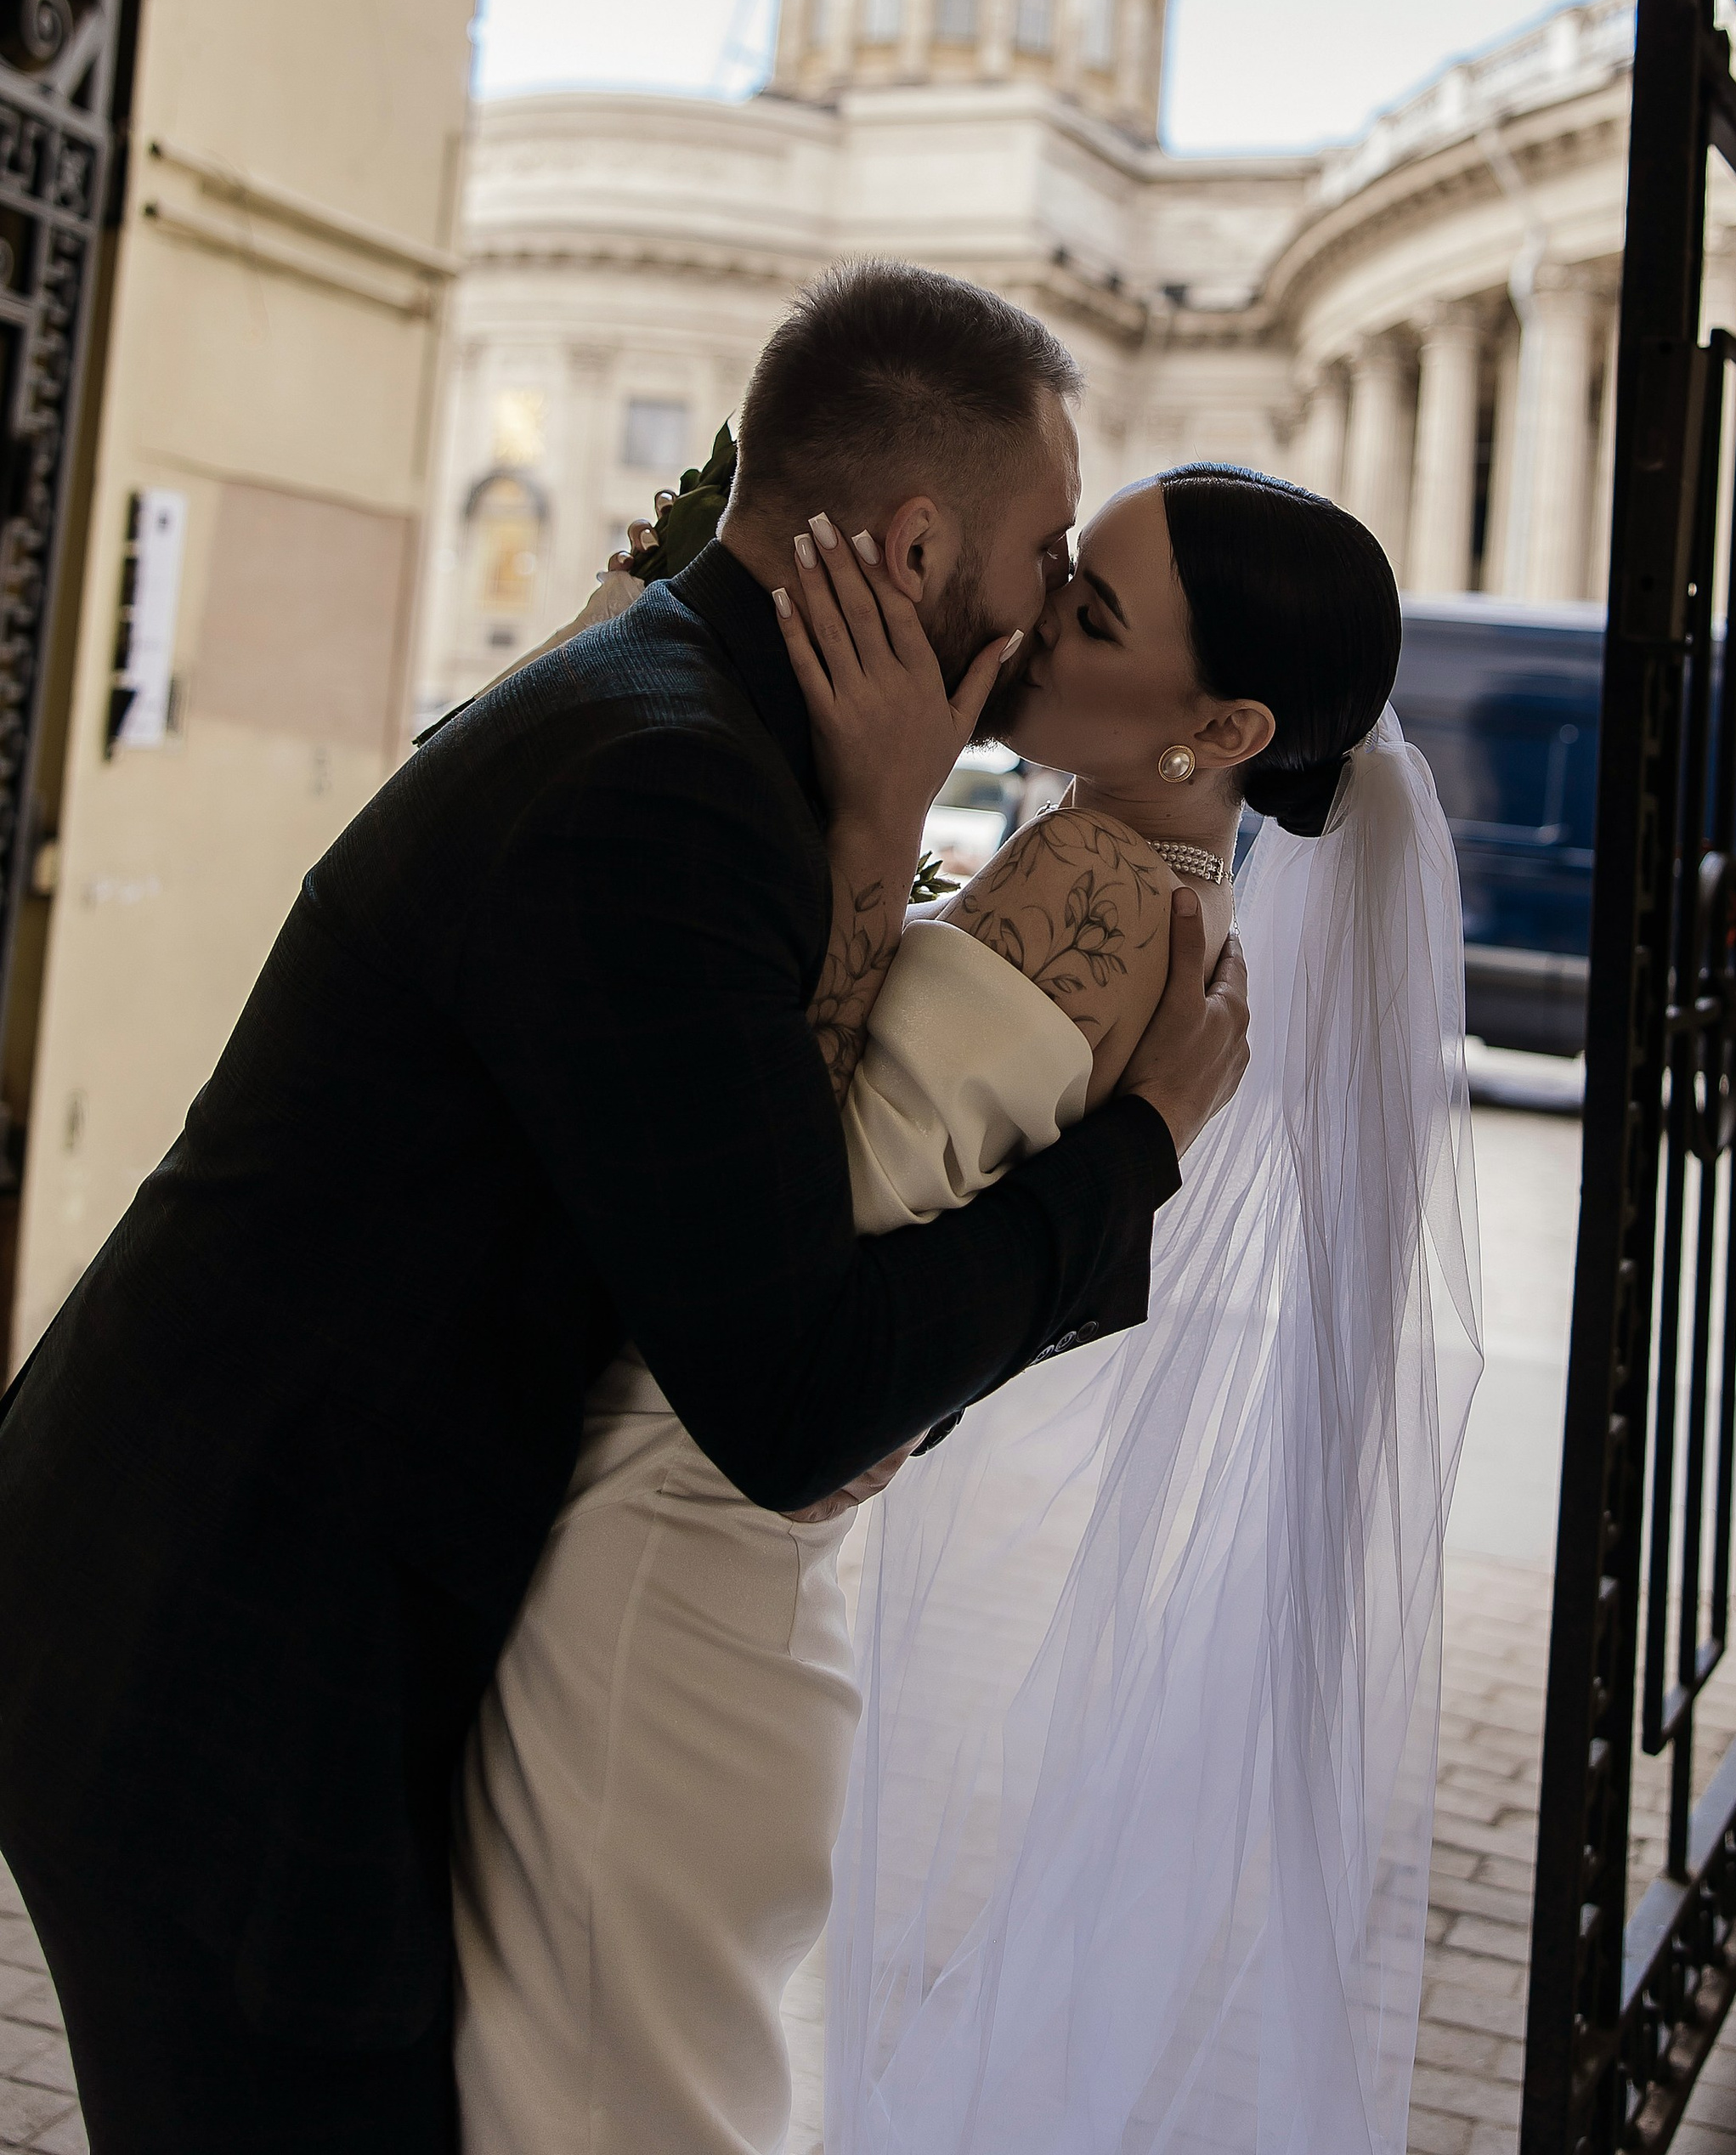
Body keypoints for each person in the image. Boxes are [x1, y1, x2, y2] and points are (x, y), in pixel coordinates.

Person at [0, 262, 1247, 2154]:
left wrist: (866, 832)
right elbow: (790, 1393)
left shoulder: (682, 717)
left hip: (259, 1595)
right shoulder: (660, 790)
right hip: (223, 1663)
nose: (1053, 599)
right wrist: (1138, 1147)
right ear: (918, 545)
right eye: (1044, 547)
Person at [454, 461, 1478, 2155]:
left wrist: (863, 828)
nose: (1026, 628)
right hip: (734, 1538)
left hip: (669, 1527)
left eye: (1087, 618)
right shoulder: (1157, 892)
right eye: (1061, 574)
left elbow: (797, 1212)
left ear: (1217, 728)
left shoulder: (1083, 893)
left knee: (576, 2090)